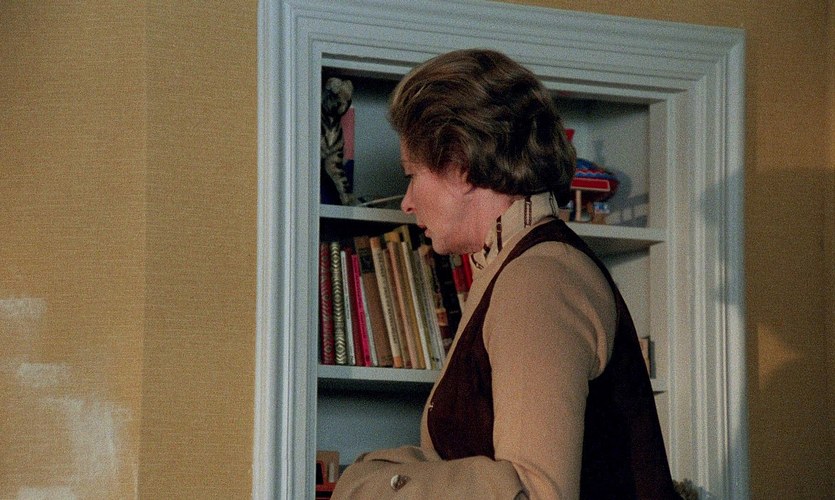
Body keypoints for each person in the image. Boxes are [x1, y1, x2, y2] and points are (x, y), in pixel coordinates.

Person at [332, 49, 677, 499]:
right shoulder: (516, 265)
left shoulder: (537, 279)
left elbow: (532, 492)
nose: (407, 202)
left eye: (412, 174)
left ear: (460, 167)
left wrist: (373, 484)